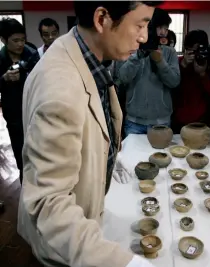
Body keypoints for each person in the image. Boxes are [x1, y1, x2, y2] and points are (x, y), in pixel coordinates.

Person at [17, 1, 162, 267]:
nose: (143, 36)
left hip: (86, 218)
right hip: (63, 247)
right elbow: (48, 204)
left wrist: (102, 161)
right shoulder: (59, 87)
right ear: (102, 18)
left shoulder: (84, 54)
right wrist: (127, 264)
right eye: (140, 25)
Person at [117, 8, 180, 137]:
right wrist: (137, 56)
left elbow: (174, 82)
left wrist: (160, 61)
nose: (163, 32)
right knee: (133, 157)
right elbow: (123, 77)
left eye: (166, 28)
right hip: (134, 122)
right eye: (160, 27)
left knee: (160, 157)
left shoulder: (169, 52)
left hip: (161, 122)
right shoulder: (131, 49)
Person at [0, 18, 39, 183]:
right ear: (4, 40)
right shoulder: (1, 58)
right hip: (14, 113)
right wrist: (4, 78)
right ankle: (26, 184)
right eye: (15, 40)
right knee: (20, 150)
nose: (20, 44)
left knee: (39, 149)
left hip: (35, 110)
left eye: (22, 39)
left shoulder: (31, 54)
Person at [171, 30, 210, 133]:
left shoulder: (209, 63)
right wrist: (183, 65)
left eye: (197, 51)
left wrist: (202, 74)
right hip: (178, 118)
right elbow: (172, 88)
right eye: (190, 51)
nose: (195, 55)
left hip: (201, 119)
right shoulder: (178, 62)